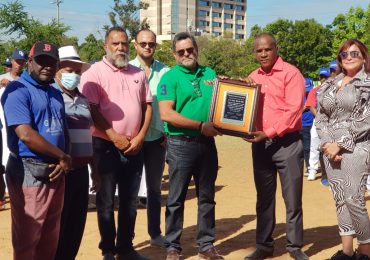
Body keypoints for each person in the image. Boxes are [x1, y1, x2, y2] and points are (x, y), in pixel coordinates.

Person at [80, 26, 152, 260]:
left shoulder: (138, 73)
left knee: (130, 202)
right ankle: (108, 250)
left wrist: (140, 136)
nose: (121, 48)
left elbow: (147, 106)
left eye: (124, 44)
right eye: (115, 44)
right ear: (106, 46)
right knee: (106, 202)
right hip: (105, 146)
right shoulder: (94, 73)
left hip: (134, 146)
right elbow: (91, 108)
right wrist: (114, 136)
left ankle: (126, 248)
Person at [1, 41, 72, 260]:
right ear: (30, 62)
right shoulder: (17, 90)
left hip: (55, 171)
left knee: (49, 237)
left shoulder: (54, 92)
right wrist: (62, 156)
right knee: (28, 239)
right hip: (28, 170)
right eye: (41, 61)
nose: (47, 66)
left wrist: (63, 158)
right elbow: (25, 134)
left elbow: (63, 129)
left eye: (52, 62)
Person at [157, 32, 224, 260]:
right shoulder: (170, 77)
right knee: (176, 199)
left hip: (207, 144)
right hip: (180, 144)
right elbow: (166, 113)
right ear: (174, 54)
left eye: (190, 49)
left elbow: (221, 102)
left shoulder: (210, 73)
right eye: (181, 51)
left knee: (207, 197)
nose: (187, 54)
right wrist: (199, 125)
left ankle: (206, 245)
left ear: (196, 48)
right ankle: (173, 246)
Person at [243, 33, 308, 260]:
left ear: (276, 49)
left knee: (292, 199)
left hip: (287, 144)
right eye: (258, 50)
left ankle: (294, 246)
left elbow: (293, 112)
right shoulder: (252, 77)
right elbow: (245, 109)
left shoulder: (291, 74)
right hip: (260, 146)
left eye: (267, 49)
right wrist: (243, 128)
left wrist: (267, 133)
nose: (263, 54)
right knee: (264, 199)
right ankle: (264, 245)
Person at [316, 39, 370, 260]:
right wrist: (328, 143)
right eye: (344, 54)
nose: (348, 57)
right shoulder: (330, 84)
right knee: (340, 198)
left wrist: (341, 143)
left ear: (364, 57)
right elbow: (321, 117)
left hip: (357, 147)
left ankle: (365, 251)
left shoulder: (367, 84)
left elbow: (367, 119)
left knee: (354, 198)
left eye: (354, 53)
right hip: (330, 149)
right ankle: (347, 251)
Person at [54, 45, 101, 260]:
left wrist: (95, 170)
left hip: (81, 171)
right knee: (58, 226)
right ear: (56, 70)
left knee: (76, 224)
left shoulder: (83, 101)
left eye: (76, 71)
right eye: (68, 70)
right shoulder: (51, 98)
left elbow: (88, 136)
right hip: (60, 173)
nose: (73, 75)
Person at [129, 29, 169, 248]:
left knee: (154, 189)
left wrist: (168, 133)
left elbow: (174, 102)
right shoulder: (125, 70)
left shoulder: (166, 72)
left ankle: (155, 234)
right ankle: (128, 239)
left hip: (157, 140)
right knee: (131, 190)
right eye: (143, 43)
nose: (147, 47)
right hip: (133, 140)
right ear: (135, 45)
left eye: (151, 44)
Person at [0, 49, 28, 209]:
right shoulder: (3, 79)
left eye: (23, 61)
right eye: (18, 61)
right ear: (12, 61)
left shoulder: (26, 80)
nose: (20, 64)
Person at [305, 67, 330, 182]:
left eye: (326, 76)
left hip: (331, 122)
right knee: (314, 146)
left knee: (329, 147)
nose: (324, 79)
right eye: (322, 77)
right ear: (319, 78)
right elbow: (310, 105)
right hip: (317, 121)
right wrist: (319, 117)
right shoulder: (314, 91)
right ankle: (312, 170)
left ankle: (331, 173)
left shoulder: (335, 89)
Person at [301, 78, 314, 176]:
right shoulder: (298, 96)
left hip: (313, 124)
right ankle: (308, 166)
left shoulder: (314, 94)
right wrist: (304, 107)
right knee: (305, 147)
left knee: (313, 147)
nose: (307, 92)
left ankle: (311, 166)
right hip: (302, 125)